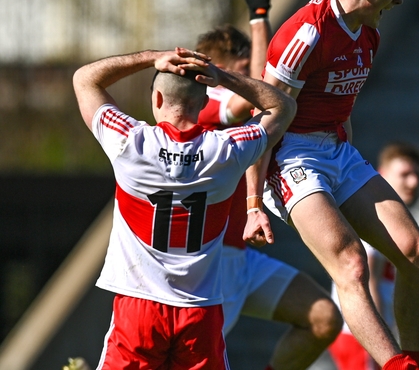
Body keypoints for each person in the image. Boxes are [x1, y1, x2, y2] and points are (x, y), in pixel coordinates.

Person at [244, 0, 419, 370]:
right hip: (290, 155)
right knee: (350, 265)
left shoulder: (369, 29)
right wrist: (253, 203)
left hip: (336, 149)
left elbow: (340, 109)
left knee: (416, 252)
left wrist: (348, 171)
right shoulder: (307, 34)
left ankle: (418, 364)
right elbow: (265, 123)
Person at [73, 47, 295, 369]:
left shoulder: (130, 143)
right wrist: (223, 77)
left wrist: (151, 58)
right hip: (199, 312)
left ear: (157, 100)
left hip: (139, 307)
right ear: (204, 104)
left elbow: (84, 79)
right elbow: (284, 107)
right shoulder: (227, 151)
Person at [197, 0, 343, 370]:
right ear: (218, 71)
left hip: (241, 257)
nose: (253, 76)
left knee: (323, 318)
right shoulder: (205, 105)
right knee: (204, 358)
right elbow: (258, 93)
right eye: (241, 71)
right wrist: (260, 20)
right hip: (212, 258)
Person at [328, 142, 419, 370]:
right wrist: (385, 340)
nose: (413, 183)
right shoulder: (375, 216)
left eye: (417, 175)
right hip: (363, 336)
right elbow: (366, 277)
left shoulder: (392, 216)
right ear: (381, 175)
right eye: (405, 175)